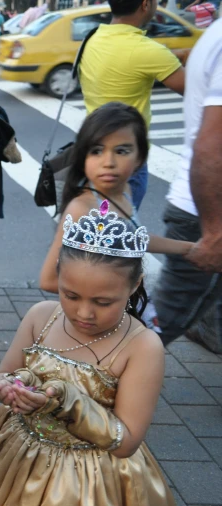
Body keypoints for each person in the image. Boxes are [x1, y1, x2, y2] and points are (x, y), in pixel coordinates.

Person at [0, 202, 176, 506]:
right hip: (17, 459)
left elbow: (126, 441)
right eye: (71, 295)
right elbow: (3, 377)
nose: (84, 313)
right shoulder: (42, 317)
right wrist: (10, 387)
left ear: (134, 285)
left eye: (103, 302)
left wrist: (67, 402)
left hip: (90, 482)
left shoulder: (142, 346)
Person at [39, 103, 194, 294]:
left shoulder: (124, 190)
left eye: (122, 151)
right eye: (96, 151)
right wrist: (115, 292)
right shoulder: (82, 209)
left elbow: (131, 237)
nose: (109, 163)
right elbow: (49, 280)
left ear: (140, 158)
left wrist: (189, 248)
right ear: (82, 156)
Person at [78, 0, 186, 210]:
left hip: (93, 150)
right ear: (145, 4)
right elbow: (196, 90)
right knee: (118, 230)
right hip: (124, 157)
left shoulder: (91, 39)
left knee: (101, 226)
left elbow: (128, 58)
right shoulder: (147, 50)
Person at [156, 19, 222, 347]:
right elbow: (211, 145)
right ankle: (70, 387)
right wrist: (213, 233)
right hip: (205, 214)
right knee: (150, 331)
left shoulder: (214, 34)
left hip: (203, 212)